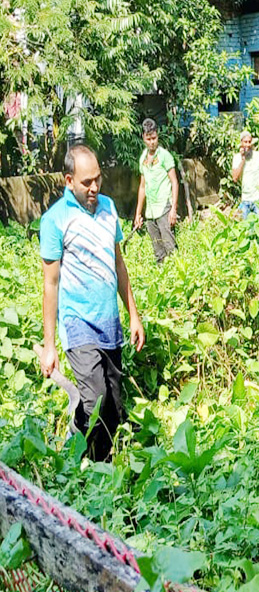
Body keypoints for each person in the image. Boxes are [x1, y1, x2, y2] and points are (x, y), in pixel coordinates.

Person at [40, 145, 145, 462]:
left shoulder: (109, 208)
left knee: (112, 408)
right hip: (77, 322)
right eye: (87, 182)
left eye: (98, 179)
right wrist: (49, 345)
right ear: (69, 180)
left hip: (109, 322)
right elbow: (50, 283)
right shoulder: (55, 220)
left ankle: (83, 435)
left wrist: (134, 316)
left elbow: (118, 263)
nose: (95, 188)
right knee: (96, 398)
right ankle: (97, 472)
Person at [133, 118, 178, 264]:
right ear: (143, 139)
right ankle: (163, 283)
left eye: (154, 138)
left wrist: (173, 209)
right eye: (149, 139)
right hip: (150, 211)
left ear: (157, 136)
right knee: (158, 253)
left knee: (170, 249)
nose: (152, 142)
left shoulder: (165, 156)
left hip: (164, 207)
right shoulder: (142, 159)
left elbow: (175, 182)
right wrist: (138, 214)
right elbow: (142, 187)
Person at [231, 131, 259, 218]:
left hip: (258, 199)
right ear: (241, 143)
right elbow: (235, 178)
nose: (248, 144)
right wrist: (243, 159)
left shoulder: (258, 156)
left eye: (249, 142)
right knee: (246, 228)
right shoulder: (237, 158)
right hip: (245, 199)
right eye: (245, 142)